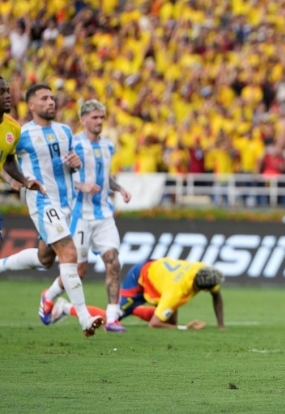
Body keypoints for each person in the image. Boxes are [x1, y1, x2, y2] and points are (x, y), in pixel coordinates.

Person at [0, 84, 103, 337]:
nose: (51, 102)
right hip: (44, 202)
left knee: (46, 260)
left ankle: (2, 264)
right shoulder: (21, 133)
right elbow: (5, 159)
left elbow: (68, 164)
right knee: (70, 254)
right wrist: (17, 181)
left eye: (52, 98)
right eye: (44, 98)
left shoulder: (65, 131)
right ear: (31, 105)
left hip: (66, 203)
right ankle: (84, 318)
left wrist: (76, 164)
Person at [71, 100, 132, 332]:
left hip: (104, 214)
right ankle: (51, 299)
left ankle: (112, 317)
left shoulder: (108, 146)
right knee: (78, 271)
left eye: (101, 118)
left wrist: (120, 188)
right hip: (81, 215)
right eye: (94, 118)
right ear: (83, 119)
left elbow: (105, 177)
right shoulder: (73, 144)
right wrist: (81, 185)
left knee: (113, 261)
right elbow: (61, 178)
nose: (99, 122)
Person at [52, 258, 225, 331]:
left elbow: (217, 296)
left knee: (169, 319)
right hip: (140, 279)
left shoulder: (203, 271)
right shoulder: (176, 291)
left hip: (159, 277)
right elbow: (154, 324)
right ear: (203, 289)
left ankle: (131, 309)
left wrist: (221, 325)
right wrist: (184, 328)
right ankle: (65, 307)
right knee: (108, 320)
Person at [0, 76, 46, 239]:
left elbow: (9, 160)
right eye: (1, 92)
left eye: (7, 91)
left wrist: (25, 181)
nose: (7, 96)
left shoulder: (13, 128)